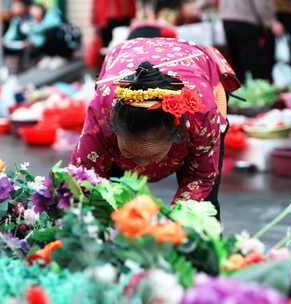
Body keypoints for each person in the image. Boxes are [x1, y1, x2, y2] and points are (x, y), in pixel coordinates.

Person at [72, 38, 241, 216]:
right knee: (106, 200)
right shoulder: (102, 110)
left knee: (203, 208)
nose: (141, 165)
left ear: (177, 135)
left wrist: (176, 220)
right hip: (127, 55)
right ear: (113, 128)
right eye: (129, 153)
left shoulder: (201, 115)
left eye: (153, 155)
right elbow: (82, 176)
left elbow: (201, 176)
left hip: (193, 71)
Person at [198, 0, 285, 82]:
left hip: (227, 20)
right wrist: (271, 21)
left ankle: (243, 90)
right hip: (246, 20)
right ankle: (257, 90)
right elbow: (260, 2)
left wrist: (200, 5)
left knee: (237, 61)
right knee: (252, 62)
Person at [3, 0, 30, 73]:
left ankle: (21, 72)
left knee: (25, 50)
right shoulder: (8, 19)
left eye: (17, 6)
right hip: (8, 44)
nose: (14, 8)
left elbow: (27, 32)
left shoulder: (27, 19)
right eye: (13, 6)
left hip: (21, 44)